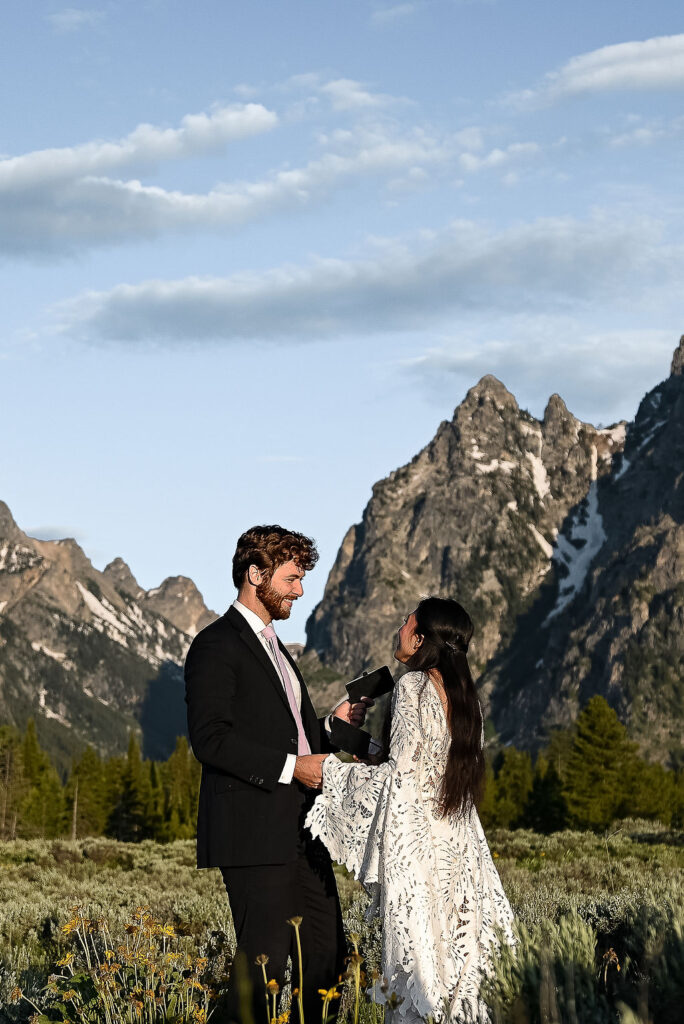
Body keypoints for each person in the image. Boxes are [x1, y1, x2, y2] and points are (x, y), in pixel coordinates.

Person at [184, 525, 371, 1024]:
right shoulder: (215, 645)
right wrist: (293, 768)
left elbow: (291, 737)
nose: (300, 590)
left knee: (326, 960)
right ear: (255, 574)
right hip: (253, 833)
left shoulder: (276, 648)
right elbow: (210, 739)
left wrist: (330, 727)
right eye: (291, 579)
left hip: (302, 832)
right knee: (261, 970)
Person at [306, 596, 515, 1023]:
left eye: (407, 621)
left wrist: (331, 772)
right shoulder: (467, 700)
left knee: (423, 965)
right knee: (459, 966)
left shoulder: (412, 686)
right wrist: (370, 752)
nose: (399, 627)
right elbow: (425, 772)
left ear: (420, 639)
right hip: (461, 852)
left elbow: (400, 785)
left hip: (421, 855)